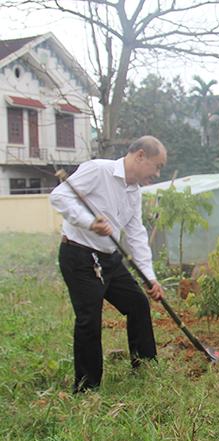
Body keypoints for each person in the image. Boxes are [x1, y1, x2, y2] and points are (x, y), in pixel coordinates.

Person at [50, 136, 166, 393]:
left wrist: (150, 278)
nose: (157, 173)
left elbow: (136, 236)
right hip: (79, 255)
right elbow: (59, 197)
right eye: (156, 166)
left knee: (137, 303)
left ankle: (145, 368)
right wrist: (87, 221)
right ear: (139, 156)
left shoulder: (134, 192)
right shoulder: (98, 170)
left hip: (108, 258)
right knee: (89, 318)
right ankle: (87, 389)